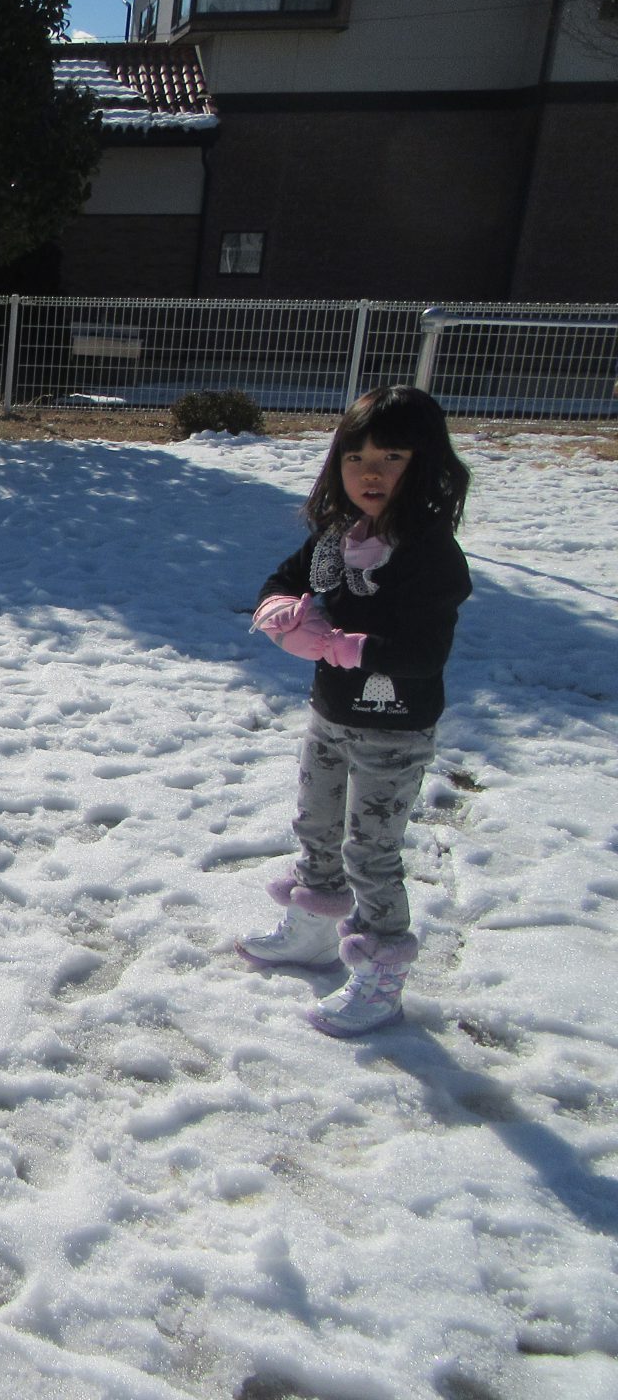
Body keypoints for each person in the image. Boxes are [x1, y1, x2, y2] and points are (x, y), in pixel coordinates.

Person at [239, 385, 472, 1036]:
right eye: (356, 457)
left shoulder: (430, 553)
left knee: (371, 852)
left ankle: (382, 974)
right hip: (331, 716)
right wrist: (280, 613)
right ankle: (314, 930)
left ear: (425, 464)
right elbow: (283, 580)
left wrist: (348, 646)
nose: (370, 472)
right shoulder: (335, 536)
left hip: (394, 730)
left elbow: (424, 653)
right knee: (316, 825)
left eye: (392, 457)